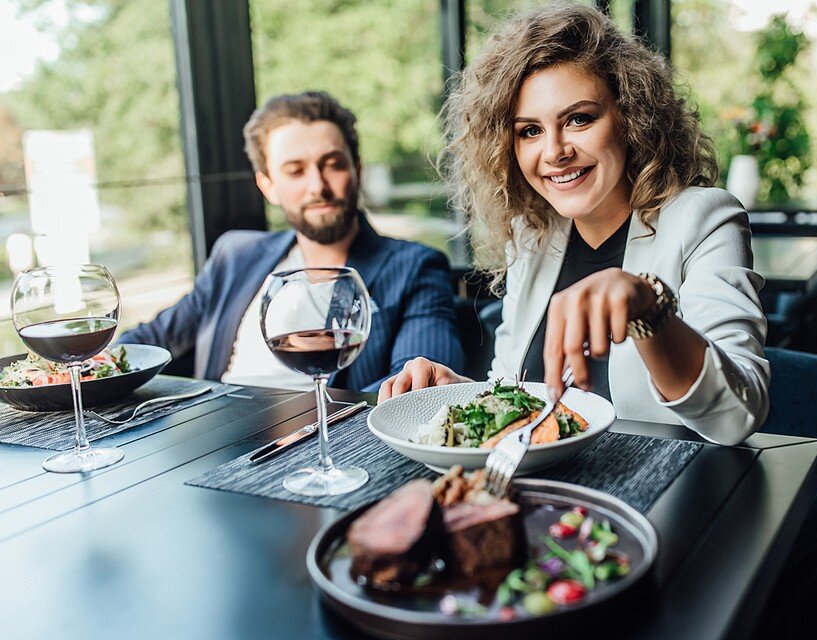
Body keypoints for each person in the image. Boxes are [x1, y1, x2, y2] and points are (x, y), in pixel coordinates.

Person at [378, 4, 769, 445]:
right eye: (530, 131)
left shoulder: (704, 218)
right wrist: (463, 397)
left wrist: (648, 309)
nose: (554, 152)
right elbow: (522, 395)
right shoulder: (532, 234)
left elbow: (737, 417)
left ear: (631, 118)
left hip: (669, 479)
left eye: (579, 119)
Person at [120, 91, 465, 392]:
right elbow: (149, 342)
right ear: (268, 186)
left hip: (332, 438)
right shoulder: (236, 255)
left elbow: (419, 380)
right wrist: (97, 363)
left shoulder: (415, 267)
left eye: (333, 165)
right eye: (295, 171)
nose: (317, 186)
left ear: (357, 170)